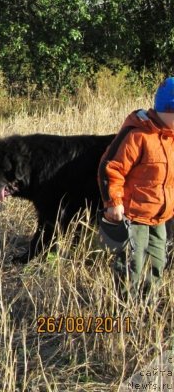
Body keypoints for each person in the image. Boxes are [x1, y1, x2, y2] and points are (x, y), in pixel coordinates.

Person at [98, 77, 174, 297]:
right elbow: (110, 169)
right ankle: (123, 308)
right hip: (134, 215)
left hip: (160, 215)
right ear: (167, 108)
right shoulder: (138, 135)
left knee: (158, 263)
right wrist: (113, 203)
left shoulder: (170, 139)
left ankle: (146, 306)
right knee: (132, 264)